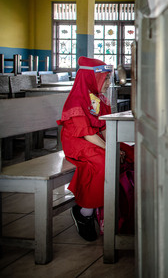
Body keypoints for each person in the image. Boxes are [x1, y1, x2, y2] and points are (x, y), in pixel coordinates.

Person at [57, 56, 113, 241]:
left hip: (93, 140)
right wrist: (110, 149)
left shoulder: (98, 99)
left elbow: (104, 127)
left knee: (128, 154)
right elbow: (86, 134)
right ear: (91, 78)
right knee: (104, 161)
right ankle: (84, 212)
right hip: (78, 141)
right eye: (104, 78)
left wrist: (114, 146)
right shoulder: (77, 99)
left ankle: (112, 212)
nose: (107, 82)